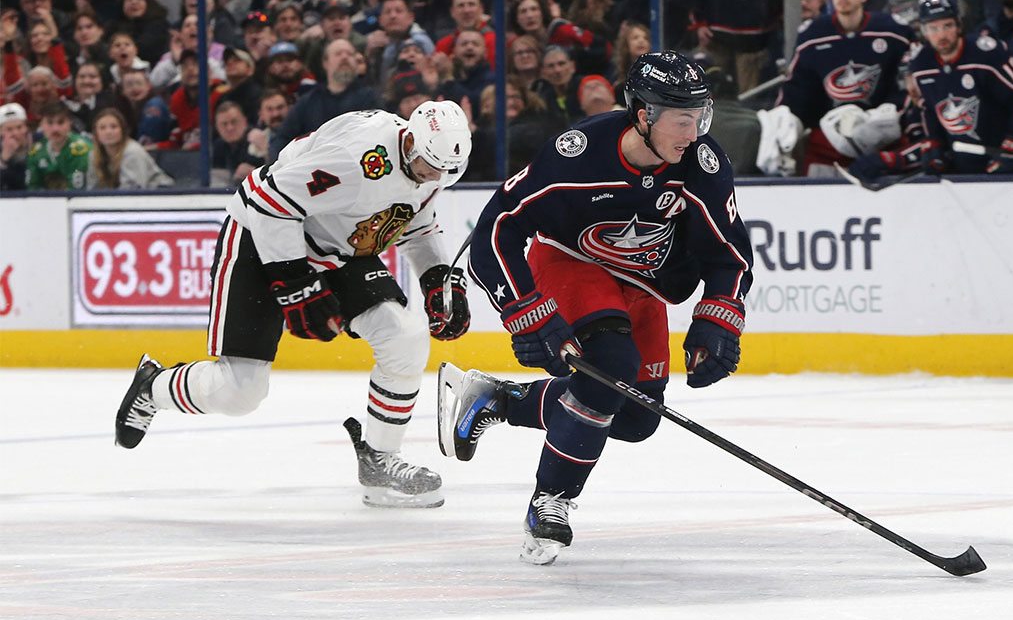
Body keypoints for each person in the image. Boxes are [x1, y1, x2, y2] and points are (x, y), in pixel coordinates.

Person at [436, 50, 753, 565]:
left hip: (642, 283)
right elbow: (496, 228)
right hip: (570, 261)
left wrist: (719, 316)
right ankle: (552, 499)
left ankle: (499, 400)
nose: (693, 131)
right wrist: (523, 308)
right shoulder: (579, 155)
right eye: (681, 118)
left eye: (700, 116)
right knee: (611, 368)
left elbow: (730, 254)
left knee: (635, 416)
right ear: (644, 114)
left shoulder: (702, 164)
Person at [114, 101, 475, 509]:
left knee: (405, 337)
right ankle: (152, 386)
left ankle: (380, 461)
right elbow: (271, 202)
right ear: (410, 142)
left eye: (445, 170)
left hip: (334, 247)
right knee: (239, 391)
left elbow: (416, 222)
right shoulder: (357, 158)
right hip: (261, 233)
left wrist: (438, 280)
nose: (437, 177)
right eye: (431, 166)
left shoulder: (431, 163)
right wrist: (297, 285)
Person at [776, 0, 913, 176]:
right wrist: (786, 119)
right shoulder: (812, 34)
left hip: (882, 138)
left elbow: (907, 81)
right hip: (827, 143)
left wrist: (888, 113)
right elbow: (798, 88)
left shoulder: (893, 31)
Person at [904, 0, 1013, 176]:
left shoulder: (986, 54)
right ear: (924, 32)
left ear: (958, 25)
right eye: (933, 28)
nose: (942, 35)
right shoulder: (920, 64)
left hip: (1000, 157)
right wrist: (934, 142)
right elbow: (929, 108)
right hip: (960, 163)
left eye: (947, 26)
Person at [269, 38, 384, 159]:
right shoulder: (308, 101)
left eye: (350, 54)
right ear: (325, 63)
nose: (345, 57)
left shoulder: (370, 98)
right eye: (338, 54)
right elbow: (282, 139)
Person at [87, 106, 173, 189]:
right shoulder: (94, 154)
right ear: (95, 133)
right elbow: (93, 188)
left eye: (114, 127)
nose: (108, 132)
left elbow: (132, 189)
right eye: (102, 128)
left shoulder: (133, 151)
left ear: (123, 130)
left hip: (160, 193)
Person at [27, 100, 91, 191]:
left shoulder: (81, 149)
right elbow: (32, 187)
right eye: (50, 123)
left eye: (61, 122)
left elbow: (76, 190)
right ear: (41, 125)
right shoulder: (35, 151)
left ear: (70, 123)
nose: (55, 129)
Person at [0, 101, 30, 191]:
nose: (16, 133)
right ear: (1, 132)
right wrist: (4, 158)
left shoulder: (39, 141)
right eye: (9, 129)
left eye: (19, 127)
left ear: (26, 127)